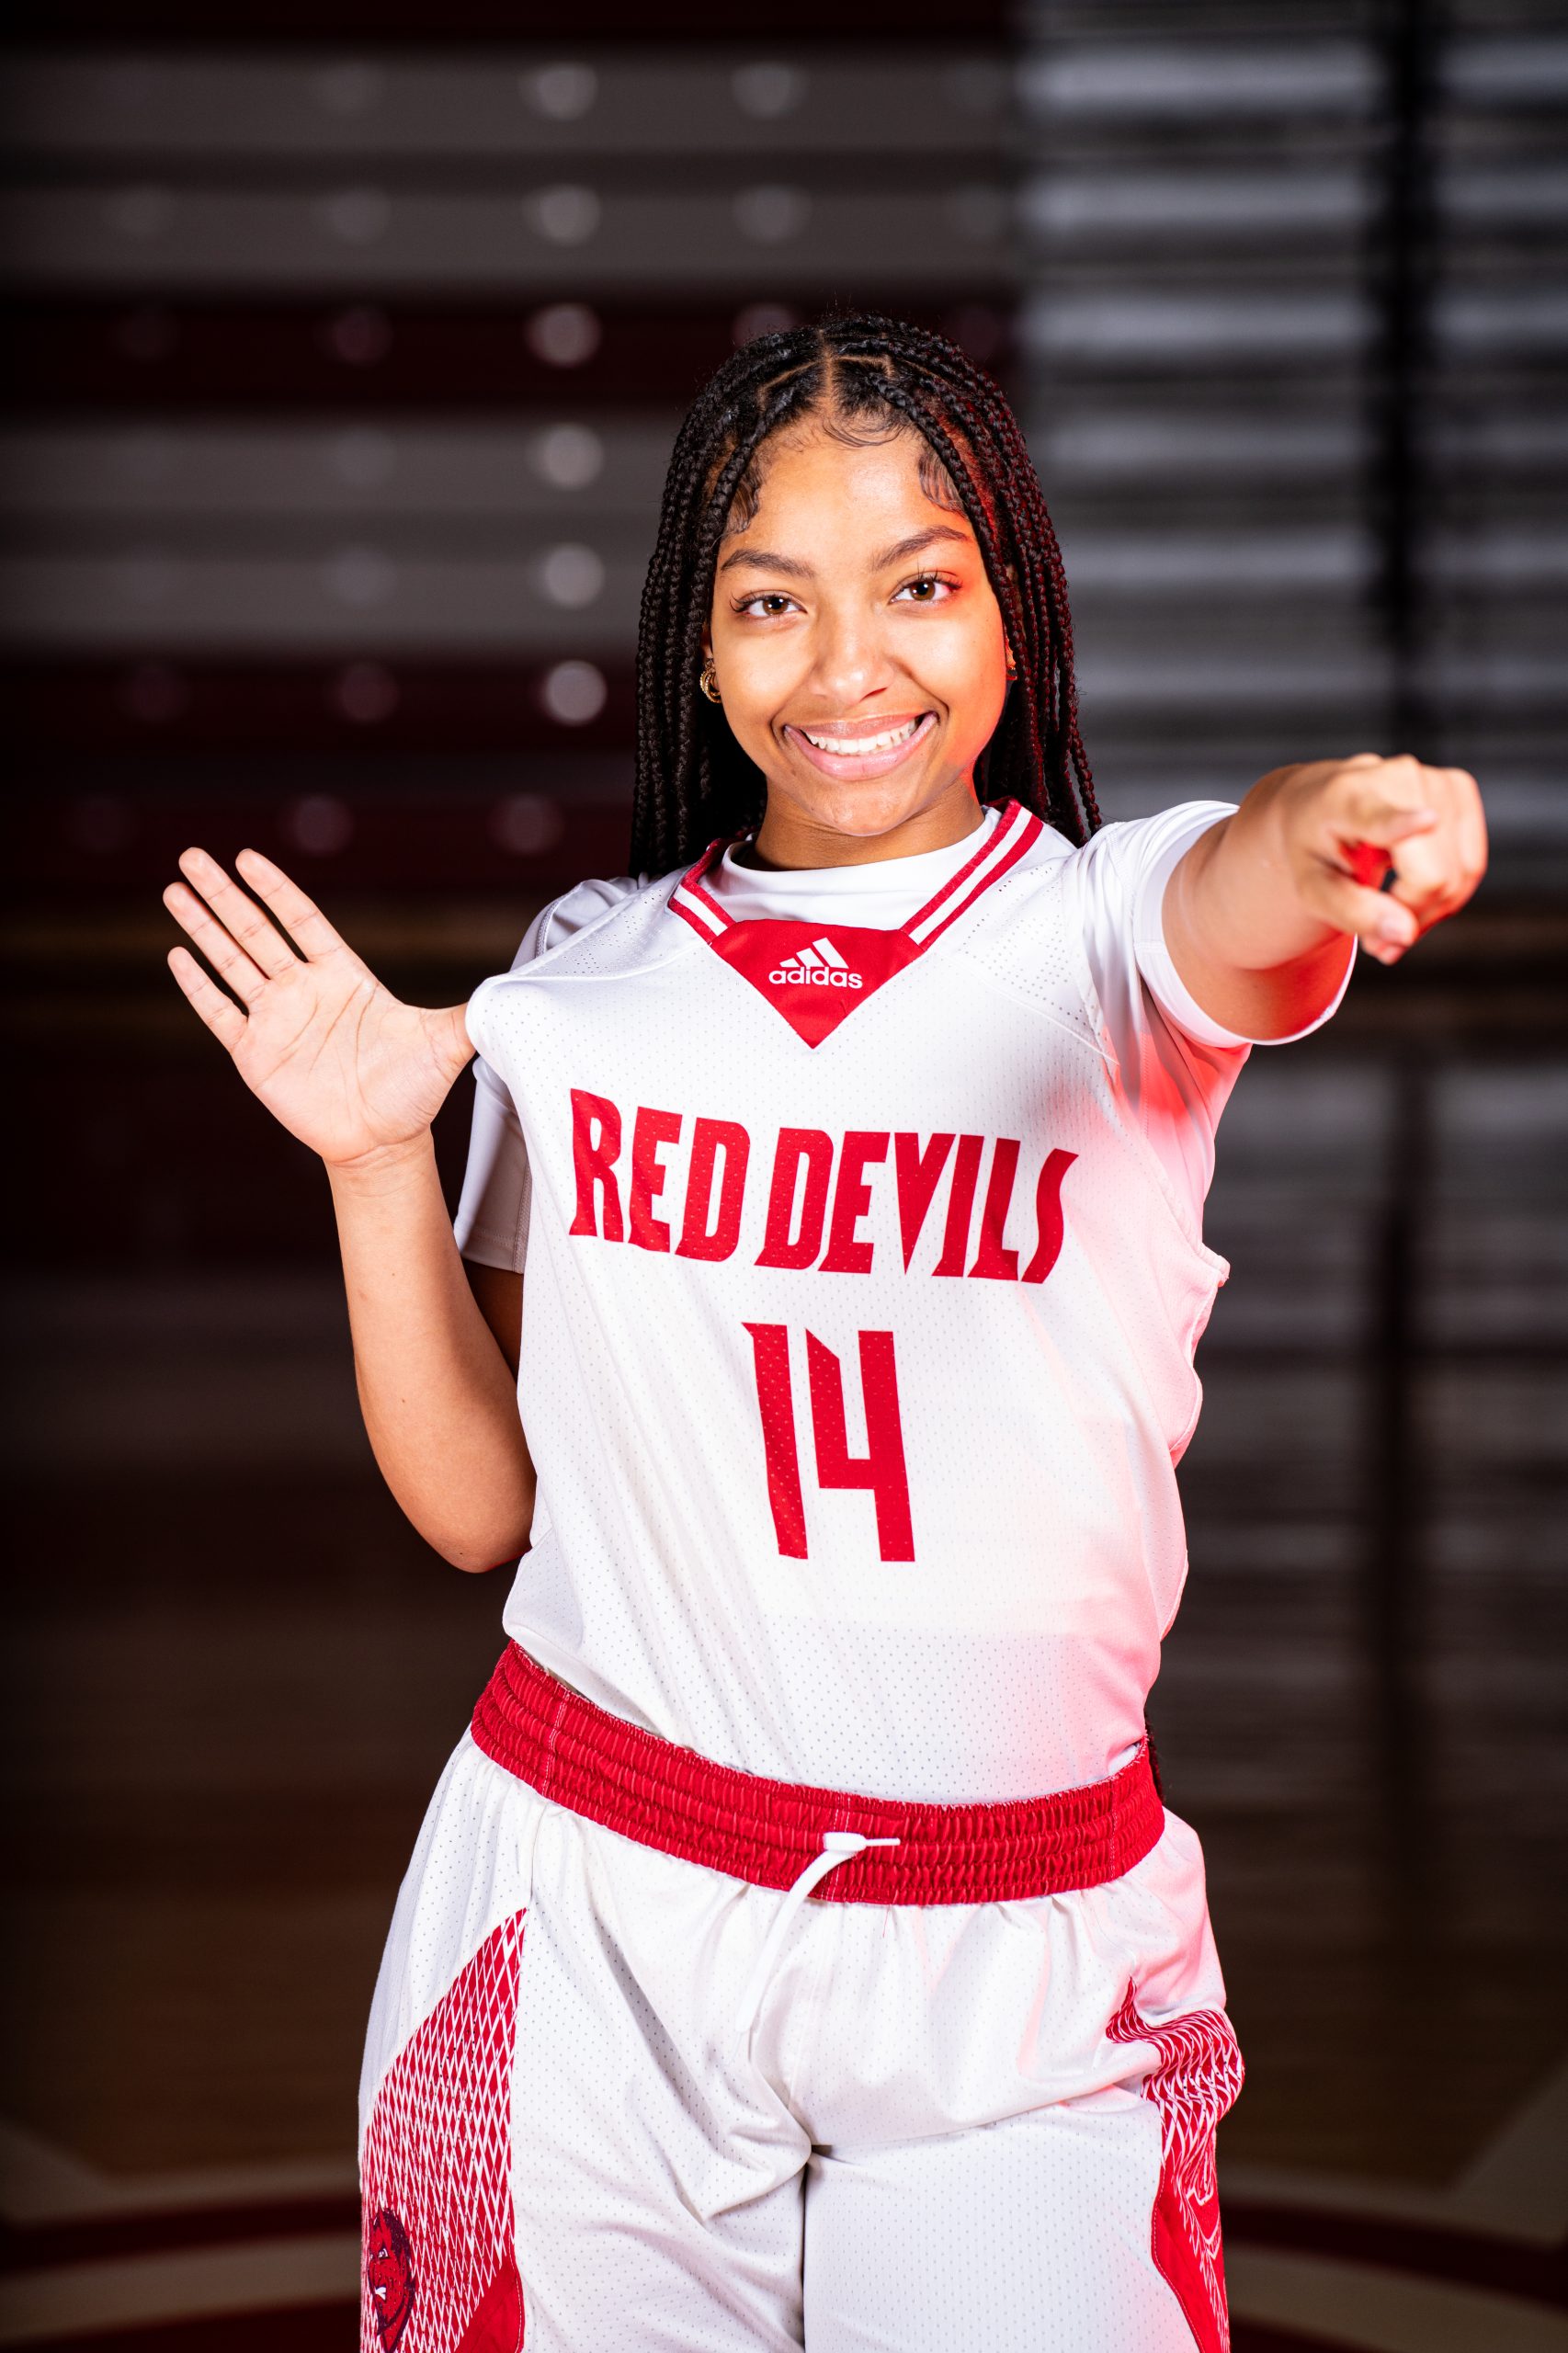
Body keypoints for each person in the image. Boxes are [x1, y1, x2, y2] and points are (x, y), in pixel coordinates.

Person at [163, 316, 1486, 2353]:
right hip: (592, 1908)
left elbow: (1249, 882)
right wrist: (369, 1162)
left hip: (1018, 1953)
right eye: (771, 601)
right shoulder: (578, 986)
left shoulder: (1101, 942)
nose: (846, 664)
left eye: (919, 587)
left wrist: (1337, 821)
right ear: (698, 652)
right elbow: (481, 1508)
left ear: (1015, 616)